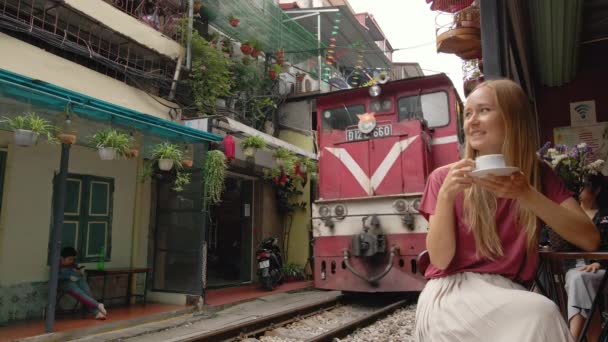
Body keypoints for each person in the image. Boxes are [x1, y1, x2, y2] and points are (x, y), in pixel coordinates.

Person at [414, 79, 600, 342]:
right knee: (541, 312)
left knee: (539, 314)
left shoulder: (537, 176)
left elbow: (589, 238)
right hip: (451, 293)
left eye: (484, 110)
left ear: (513, 118)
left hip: (509, 292)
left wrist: (526, 194)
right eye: (467, 114)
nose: (472, 121)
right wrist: (445, 197)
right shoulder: (444, 178)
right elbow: (441, 260)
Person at [565, 174, 608, 340]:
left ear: (596, 190)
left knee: (578, 279)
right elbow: (547, 239)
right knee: (579, 279)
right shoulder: (568, 215)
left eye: (584, 185)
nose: (579, 190)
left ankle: (572, 338)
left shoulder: (605, 215)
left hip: (602, 271)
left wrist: (599, 262)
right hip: (570, 269)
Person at [60, 247, 107, 320]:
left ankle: (97, 312)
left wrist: (79, 273)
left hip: (77, 280)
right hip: (65, 283)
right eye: (69, 259)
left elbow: (78, 274)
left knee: (86, 291)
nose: (71, 261)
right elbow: (56, 278)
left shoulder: (73, 264)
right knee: (78, 292)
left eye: (73, 259)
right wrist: (68, 277)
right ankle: (97, 305)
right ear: (62, 258)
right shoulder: (56, 265)